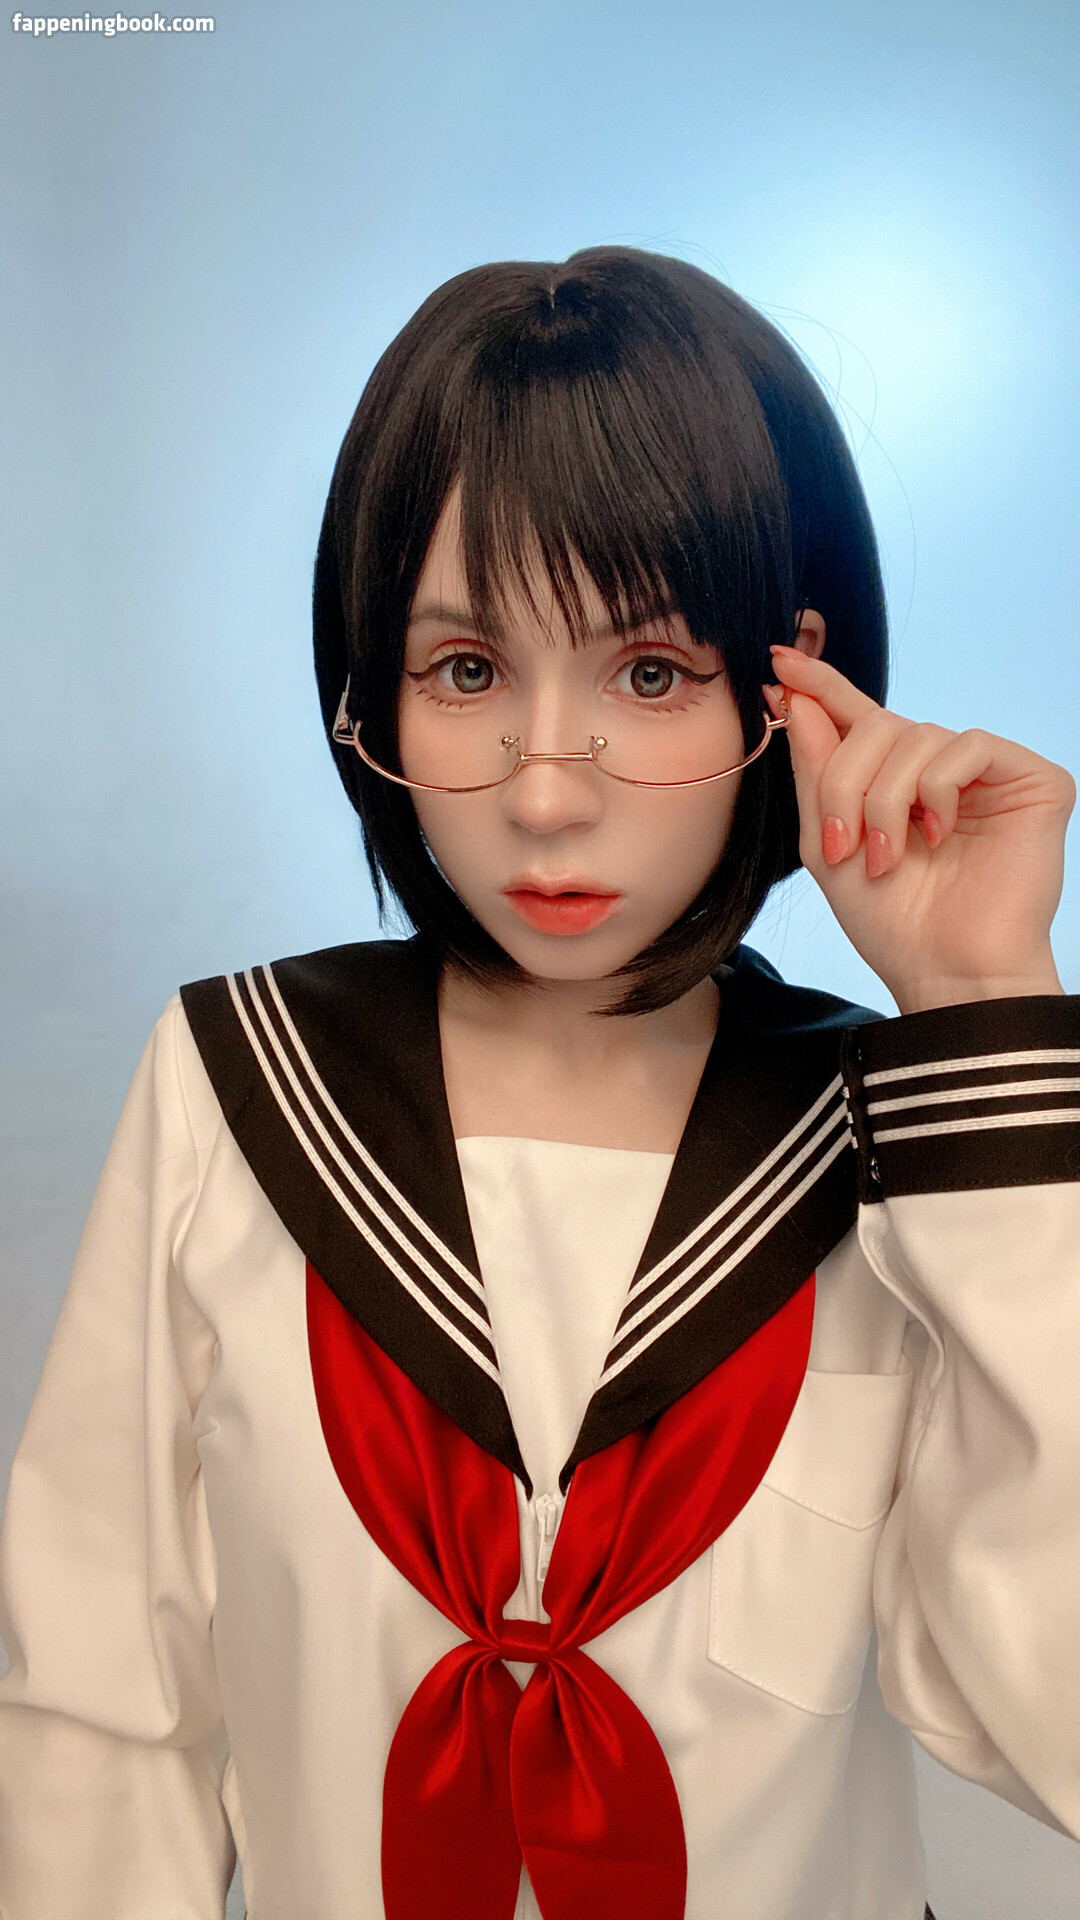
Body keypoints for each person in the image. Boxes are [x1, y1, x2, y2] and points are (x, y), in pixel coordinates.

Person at [0, 246, 1077, 1920]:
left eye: (649, 674)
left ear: (790, 678)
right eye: (467, 672)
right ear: (369, 685)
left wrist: (981, 1011)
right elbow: (98, 1715)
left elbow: (1055, 1725)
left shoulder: (902, 1141)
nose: (548, 794)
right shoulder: (233, 1083)